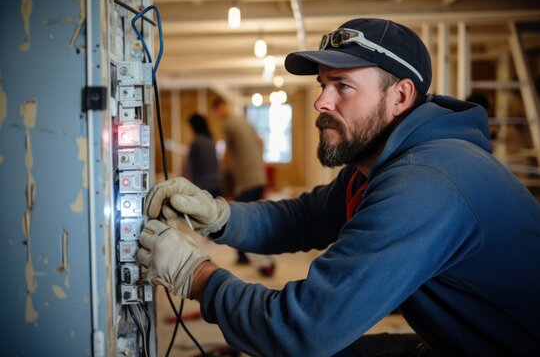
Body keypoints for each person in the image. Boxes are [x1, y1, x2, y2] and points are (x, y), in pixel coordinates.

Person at [138, 18, 540, 356]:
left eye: (342, 86)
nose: (321, 103)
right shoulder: (380, 163)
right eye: (322, 85)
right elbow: (304, 219)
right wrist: (220, 215)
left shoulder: (426, 181)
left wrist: (196, 275)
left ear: (400, 96)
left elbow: (303, 328)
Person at [211, 97, 276, 276]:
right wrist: (258, 161)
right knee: (253, 216)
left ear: (220, 108)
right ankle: (243, 256)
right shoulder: (244, 121)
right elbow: (260, 141)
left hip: (245, 180)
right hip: (258, 176)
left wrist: (225, 175)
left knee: (240, 219)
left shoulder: (227, 124)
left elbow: (226, 154)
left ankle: (265, 261)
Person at [185, 112, 222, 198]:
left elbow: (189, 169)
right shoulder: (211, 140)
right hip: (217, 185)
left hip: (203, 187)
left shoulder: (196, 142)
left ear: (194, 127)